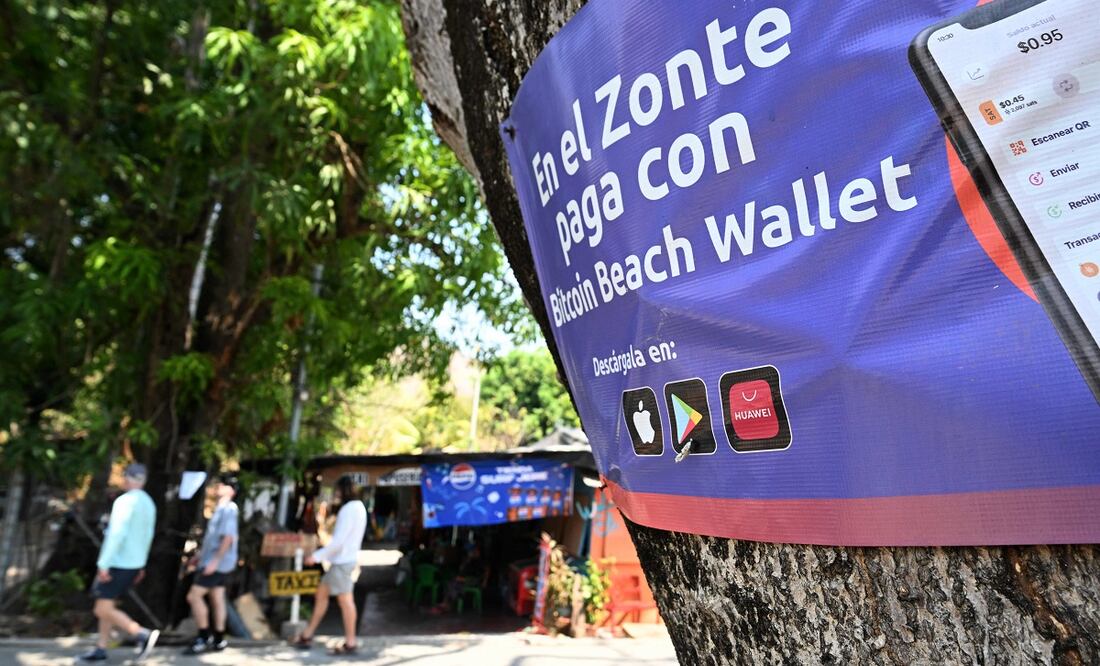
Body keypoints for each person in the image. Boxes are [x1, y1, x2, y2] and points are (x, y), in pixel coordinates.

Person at [79, 463, 160, 663]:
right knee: (107, 605)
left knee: (101, 609)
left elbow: (116, 534)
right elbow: (147, 535)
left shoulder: (124, 501)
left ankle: (141, 633)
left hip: (118, 563)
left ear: (127, 478)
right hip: (134, 564)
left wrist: (103, 564)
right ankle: (101, 648)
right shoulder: (148, 502)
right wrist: (141, 564)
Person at [290, 476, 366, 656]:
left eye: (338, 490)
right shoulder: (359, 507)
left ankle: (350, 642)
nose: (336, 494)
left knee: (345, 602)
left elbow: (338, 542)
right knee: (322, 595)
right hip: (344, 561)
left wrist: (316, 557)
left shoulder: (348, 509)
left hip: (342, 562)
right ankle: (307, 635)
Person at [183, 476, 240, 655]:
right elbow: (213, 539)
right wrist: (200, 556)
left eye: (223, 484)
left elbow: (228, 538)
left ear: (231, 490)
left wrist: (214, 562)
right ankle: (219, 638)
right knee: (217, 597)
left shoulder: (229, 509)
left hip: (217, 563)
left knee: (194, 596)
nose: (219, 486)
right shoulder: (220, 508)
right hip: (213, 560)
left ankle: (203, 636)